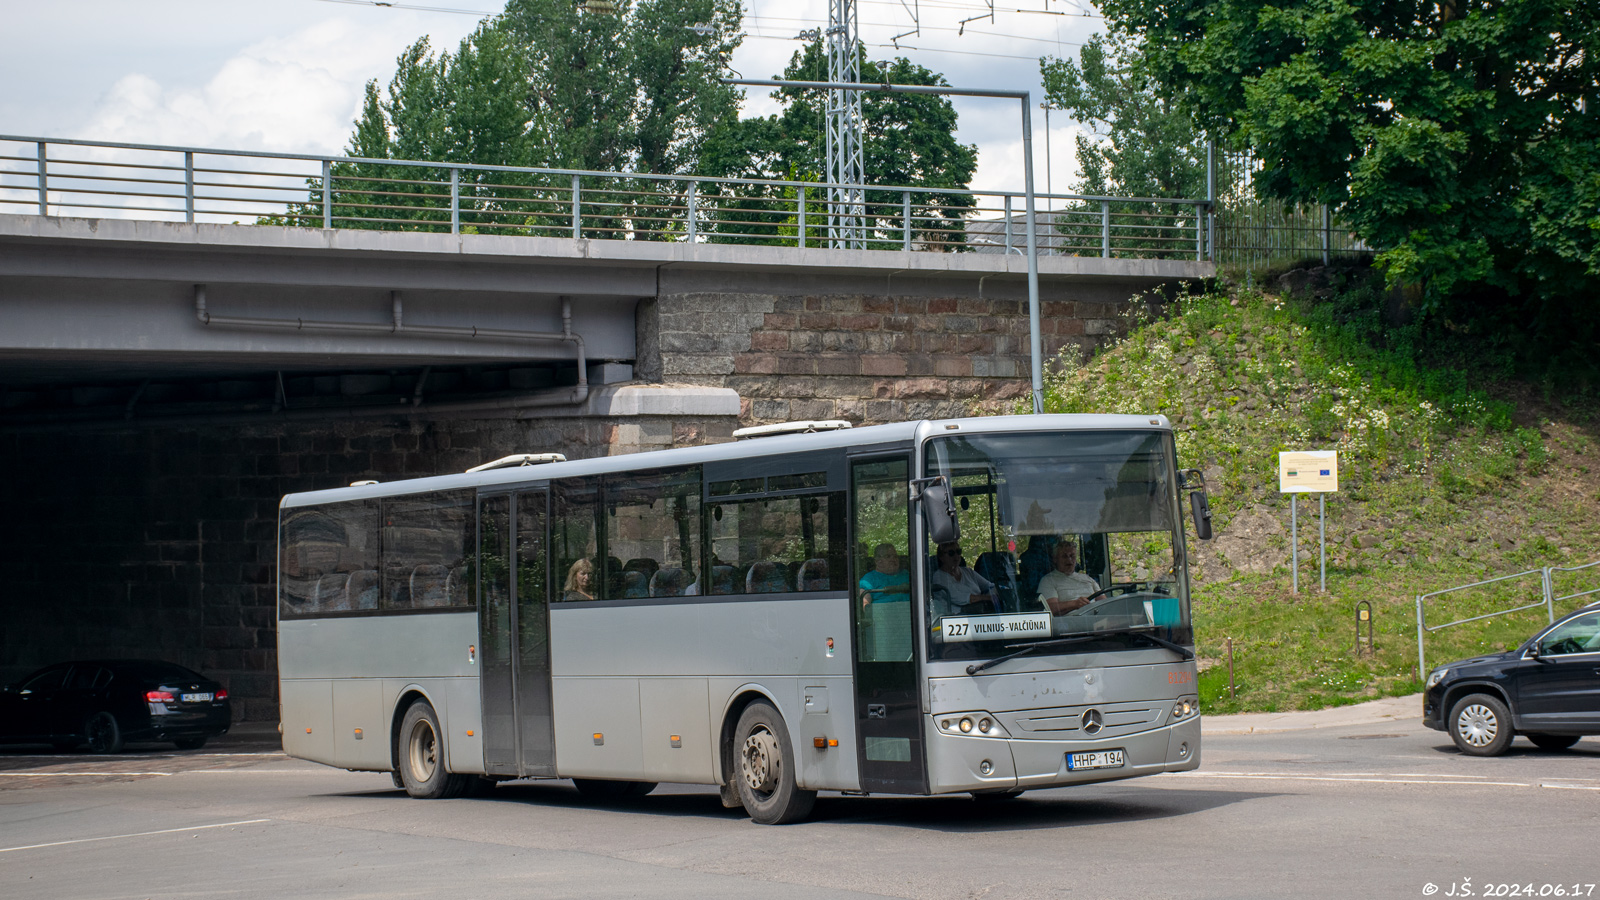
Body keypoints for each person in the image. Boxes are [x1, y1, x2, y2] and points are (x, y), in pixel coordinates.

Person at [930, 541, 996, 616]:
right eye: (951, 553)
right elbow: (961, 598)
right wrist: (988, 598)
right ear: (941, 557)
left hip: (978, 614)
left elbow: (990, 586)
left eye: (958, 552)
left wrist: (995, 595)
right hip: (953, 618)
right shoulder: (938, 577)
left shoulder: (968, 572)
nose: (956, 556)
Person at [1036, 539, 1100, 615]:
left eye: (1072, 556)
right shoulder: (1048, 580)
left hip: (1097, 619)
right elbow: (1050, 608)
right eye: (1064, 556)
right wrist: (1075, 604)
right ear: (1055, 559)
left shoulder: (1087, 578)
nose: (1069, 560)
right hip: (1069, 623)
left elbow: (1105, 603)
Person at [858, 542, 910, 607]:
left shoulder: (907, 575)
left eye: (895, 556)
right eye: (888, 556)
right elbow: (865, 604)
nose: (893, 559)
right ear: (878, 561)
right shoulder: (869, 580)